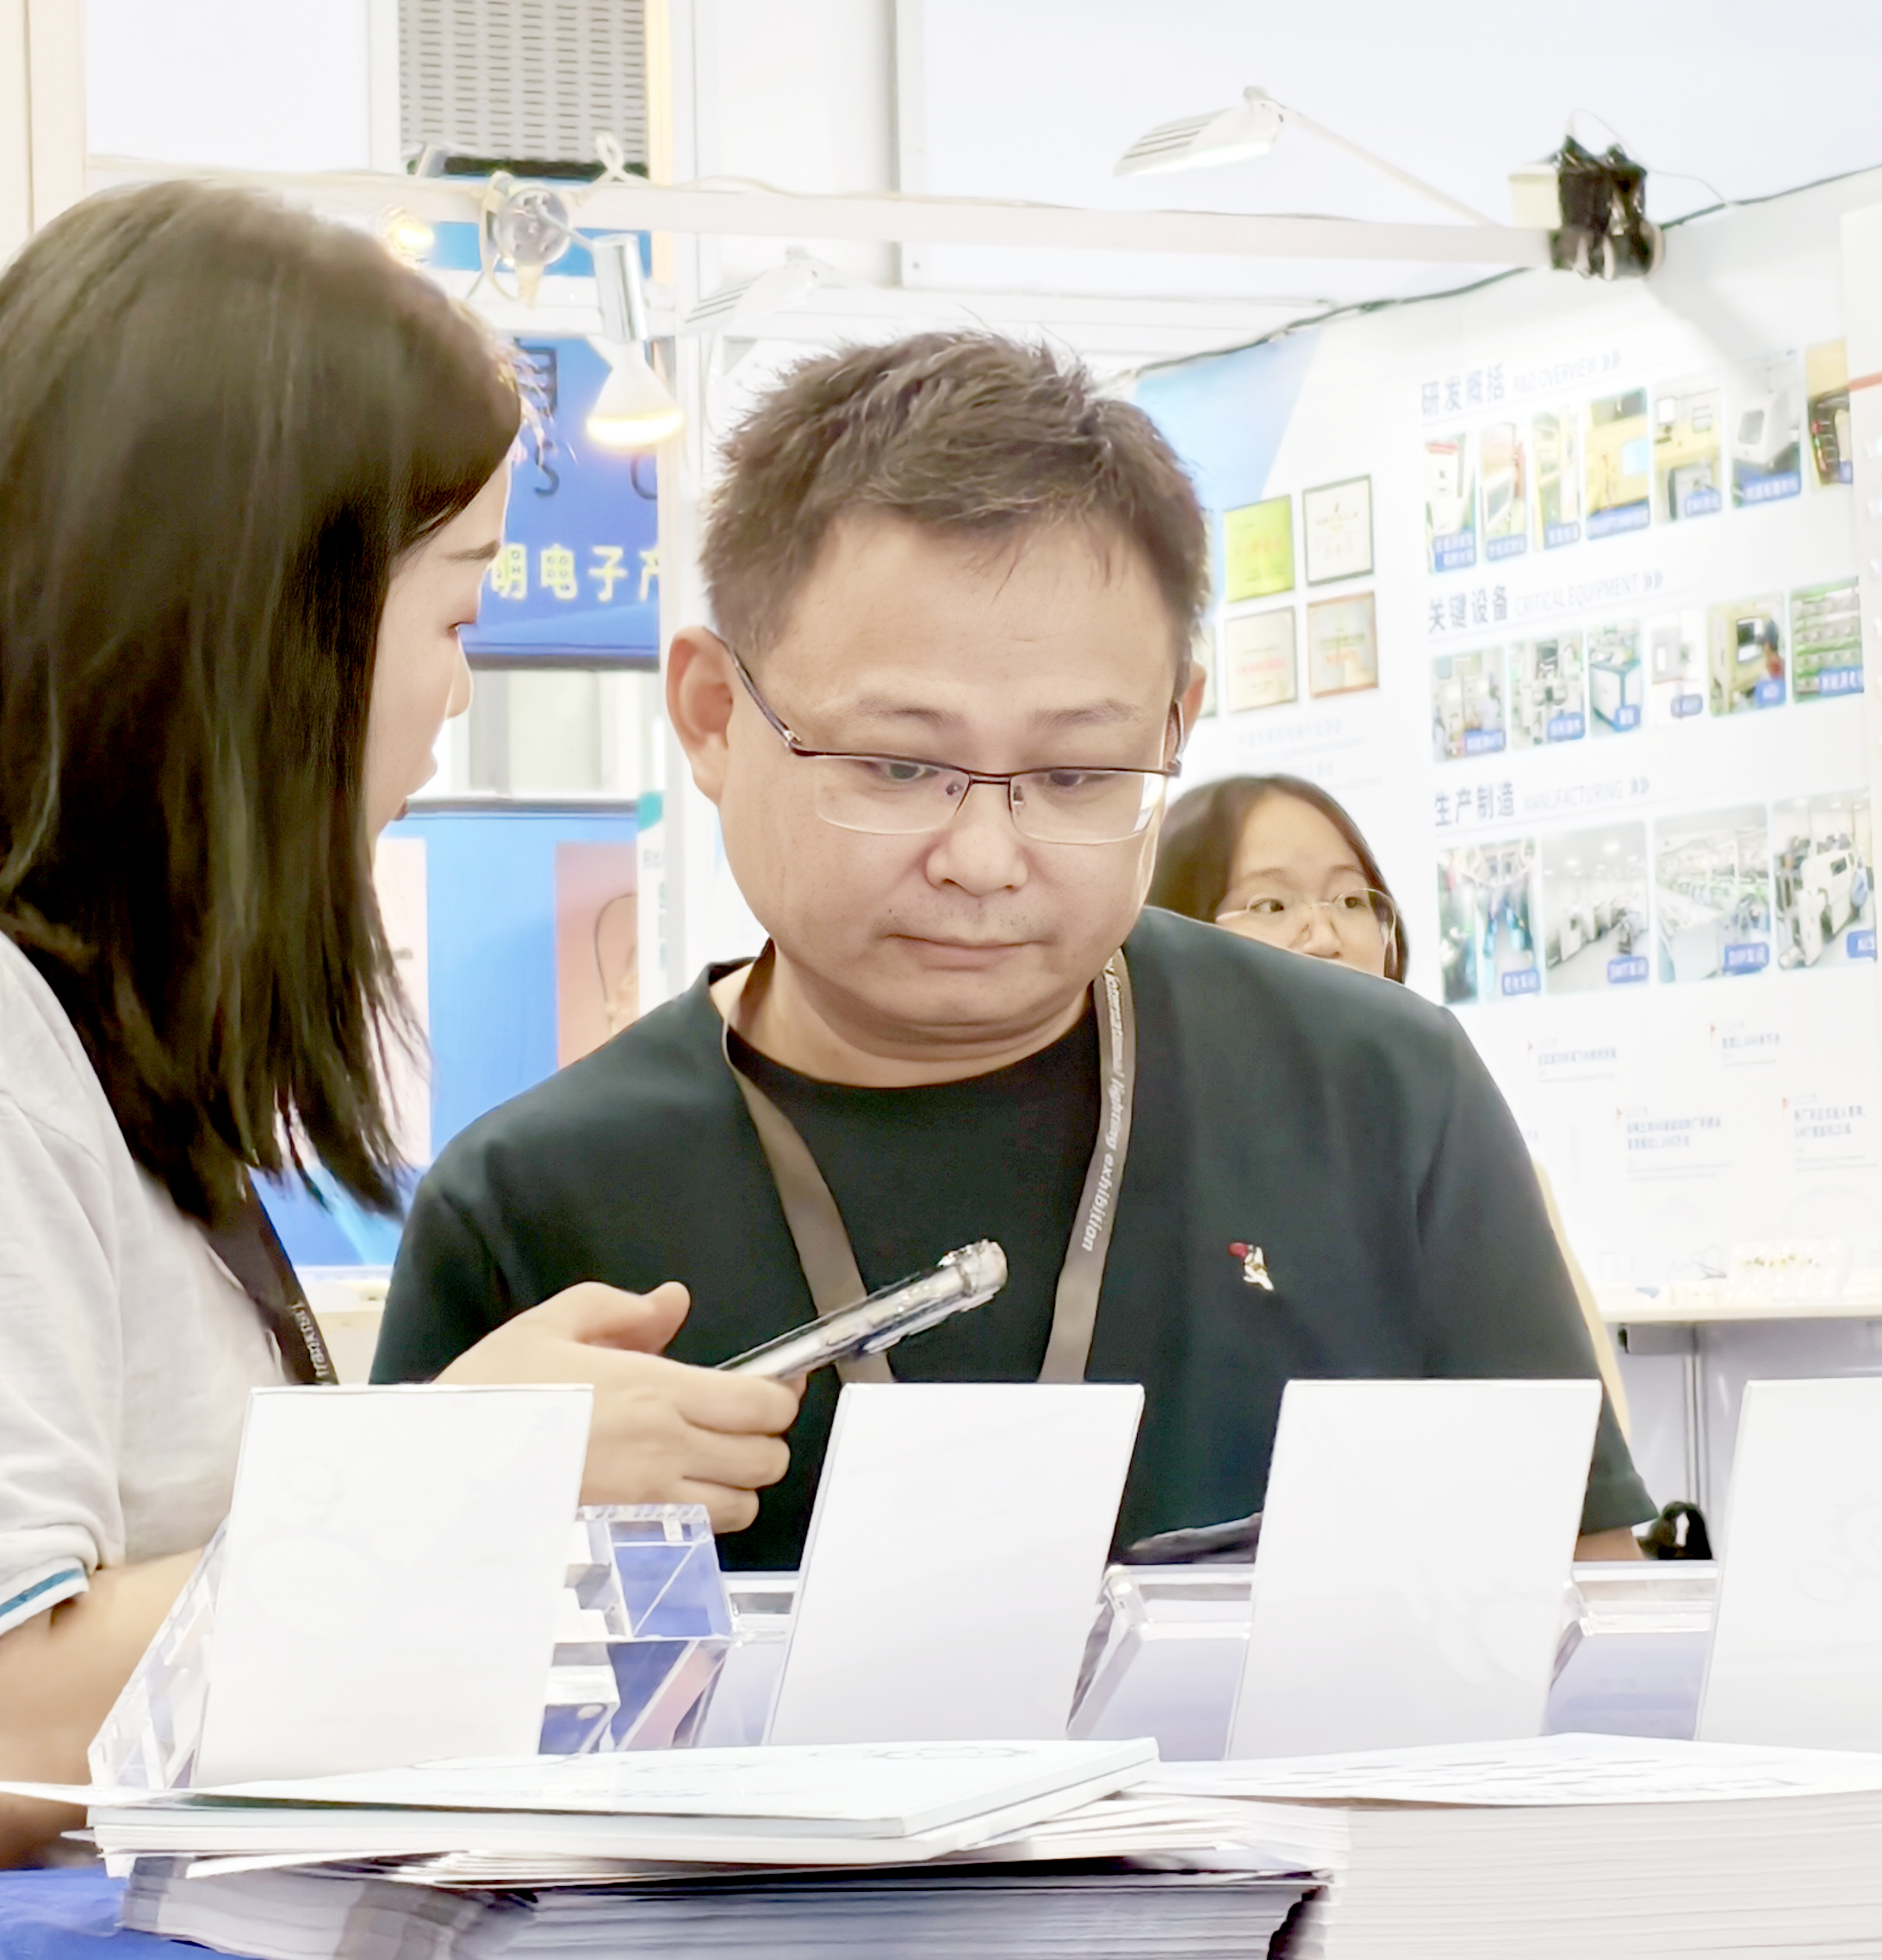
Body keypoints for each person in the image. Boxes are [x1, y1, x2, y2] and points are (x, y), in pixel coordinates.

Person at [0, 184, 798, 1913]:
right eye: (453, 615)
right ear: (256, 621)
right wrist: (476, 1469)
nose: (455, 694)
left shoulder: (31, 1024)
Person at [375, 332, 1654, 1569]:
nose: (983, 857)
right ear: (714, 716)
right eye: (897, 765)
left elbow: (1584, 1606)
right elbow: (397, 1673)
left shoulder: (1378, 1094)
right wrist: (479, 1504)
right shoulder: (536, 1204)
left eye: (1077, 775)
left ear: (1174, 725)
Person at [1144, 773, 1629, 1439]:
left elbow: (1580, 1441)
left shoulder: (1459, 1171)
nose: (1325, 935)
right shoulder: (1140, 1176)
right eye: (1271, 904)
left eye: (1350, 899)